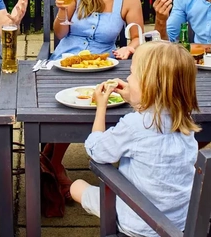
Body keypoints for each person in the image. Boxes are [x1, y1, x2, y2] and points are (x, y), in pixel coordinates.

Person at [70, 41, 200, 237]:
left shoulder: (134, 125)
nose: (128, 78)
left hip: (139, 220)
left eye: (132, 74)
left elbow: (96, 151)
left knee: (76, 186)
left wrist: (101, 107)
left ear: (148, 84)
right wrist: (134, 99)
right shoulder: (185, 122)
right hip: (178, 222)